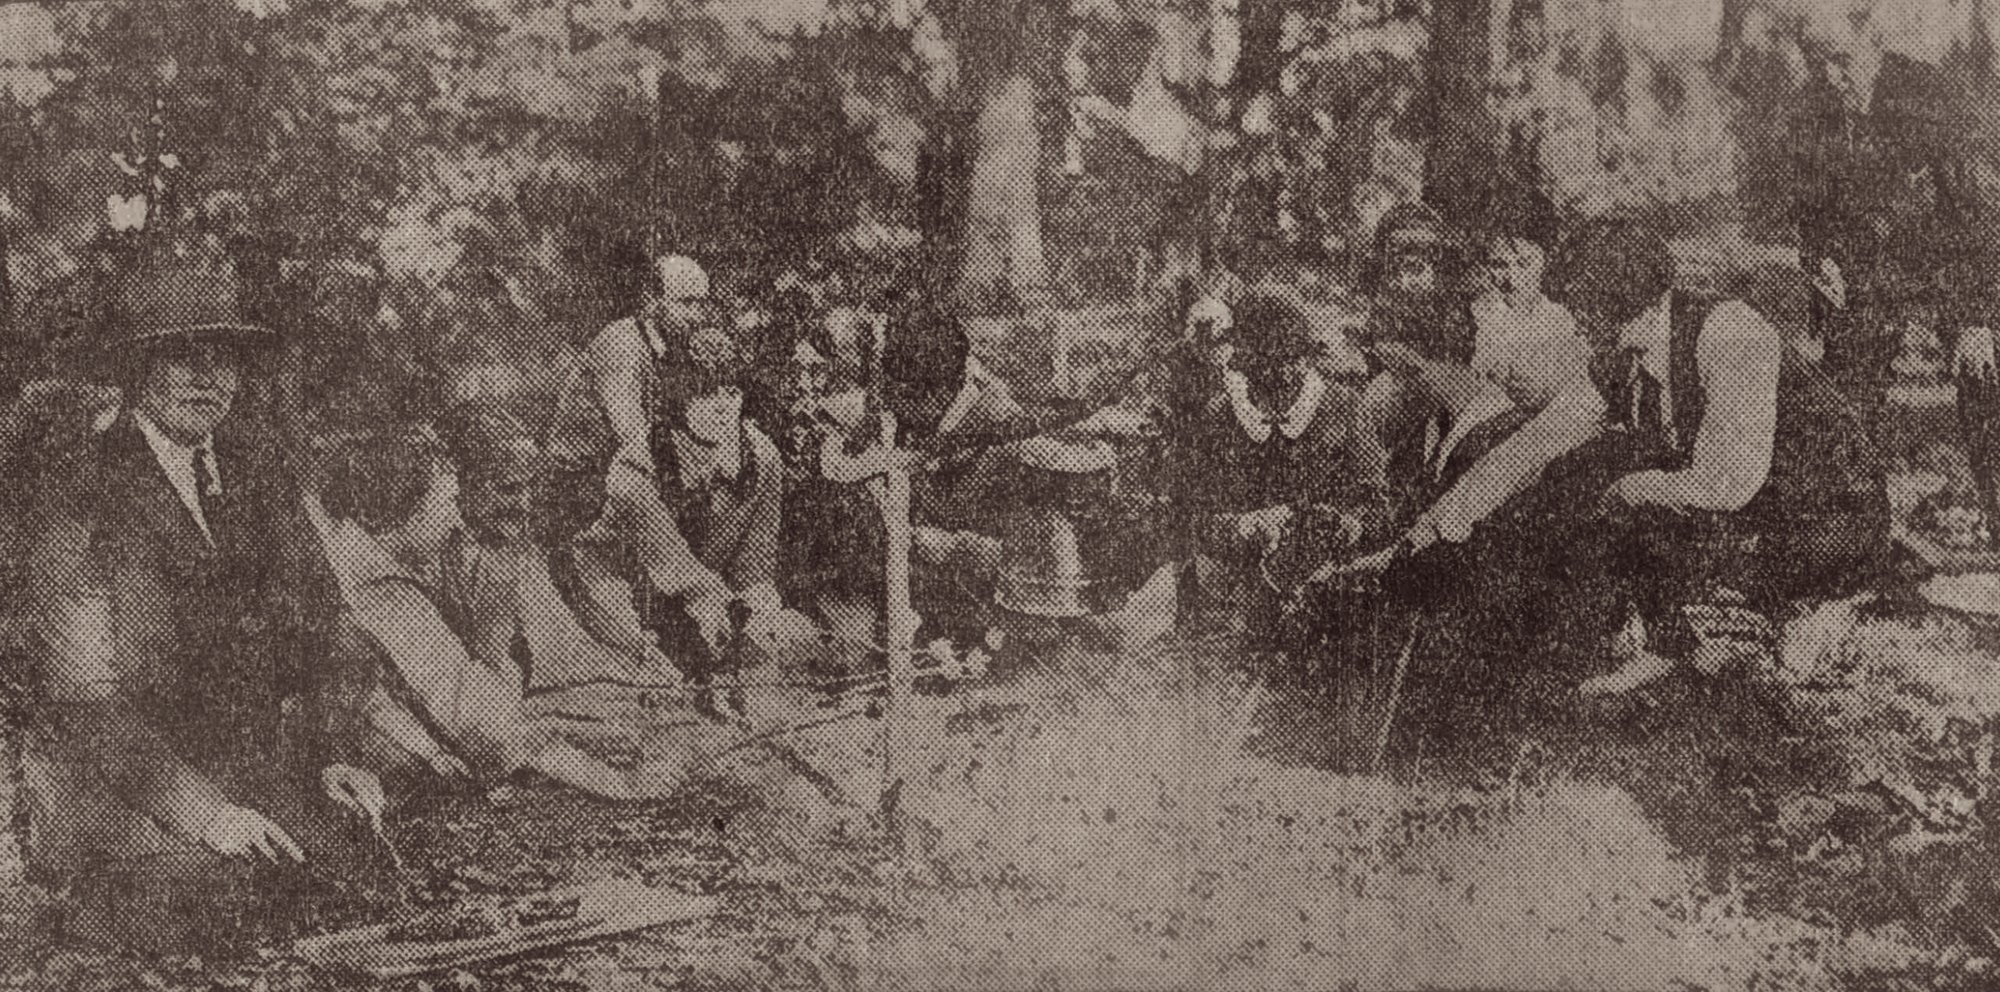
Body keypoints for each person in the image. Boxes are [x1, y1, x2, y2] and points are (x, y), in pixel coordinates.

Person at [1353, 218, 1888, 697]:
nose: (1576, 325)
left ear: (1624, 301)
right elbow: (1531, 447)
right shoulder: (1622, 352)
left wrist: (1630, 489)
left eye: (1585, 311)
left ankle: (1710, 637)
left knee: (1619, 481)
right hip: (1749, 503)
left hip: (1826, 516)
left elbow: (1730, 482)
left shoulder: (1729, 331)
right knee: (1579, 469)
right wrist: (1432, 529)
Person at [14, 250, 376, 951]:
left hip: (243, 770)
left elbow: (328, 623)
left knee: (349, 860)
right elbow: (84, 704)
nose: (208, 376)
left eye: (224, 357)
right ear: (138, 370)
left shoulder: (256, 473)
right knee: (210, 903)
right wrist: (207, 814)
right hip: (119, 787)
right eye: (183, 356)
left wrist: (333, 750)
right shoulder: (80, 488)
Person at [305, 426, 691, 801]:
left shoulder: (399, 549)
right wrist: (620, 783)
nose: (456, 518)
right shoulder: (374, 587)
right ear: (400, 516)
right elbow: (475, 716)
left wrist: (581, 729)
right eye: (444, 504)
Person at [1350, 202, 1478, 528]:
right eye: (1400, 260)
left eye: (1419, 260)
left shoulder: (1450, 296)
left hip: (1443, 380)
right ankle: (1378, 497)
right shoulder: (1389, 291)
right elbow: (1379, 335)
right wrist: (1380, 349)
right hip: (1400, 380)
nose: (1408, 274)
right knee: (1376, 410)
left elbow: (1459, 348)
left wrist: (1421, 363)